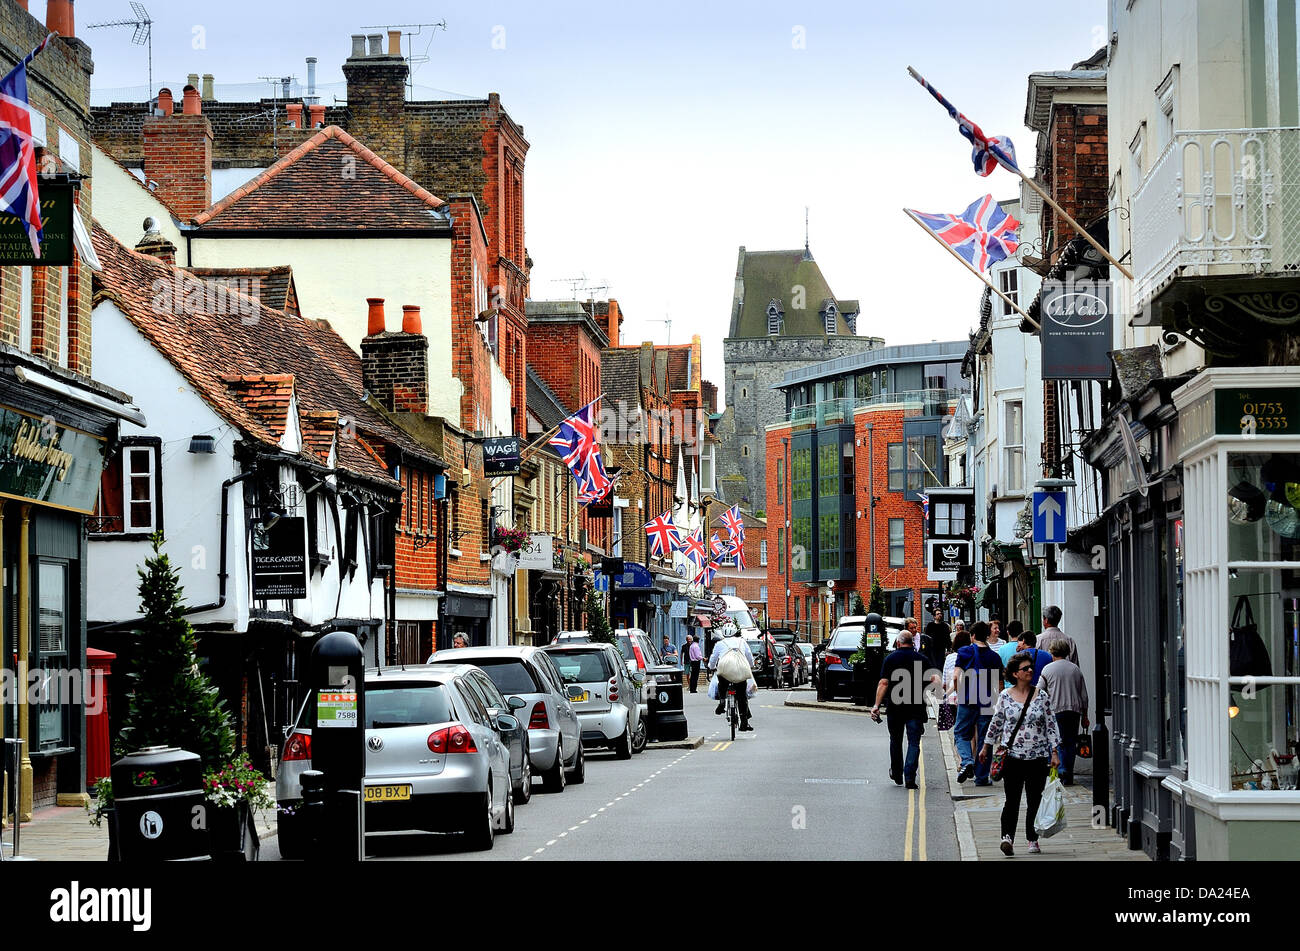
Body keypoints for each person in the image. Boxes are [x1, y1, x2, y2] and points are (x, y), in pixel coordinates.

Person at [980, 651, 1062, 856]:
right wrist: (986, 746)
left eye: (1031, 667)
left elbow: (1051, 725)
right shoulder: (1005, 697)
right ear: (1015, 674)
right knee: (1012, 799)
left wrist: (1054, 752)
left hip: (1038, 757)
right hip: (1013, 757)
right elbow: (996, 723)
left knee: (1035, 799)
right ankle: (1007, 837)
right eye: (1026, 668)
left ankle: (1032, 839)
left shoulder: (1041, 696)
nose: (1031, 671)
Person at [871, 631, 937, 789]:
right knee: (914, 742)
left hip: (895, 708)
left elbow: (883, 684)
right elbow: (934, 679)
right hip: (916, 708)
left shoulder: (891, 659)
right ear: (912, 643)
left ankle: (896, 772)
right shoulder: (922, 659)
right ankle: (909, 777)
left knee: (895, 740)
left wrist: (876, 706)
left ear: (898, 643)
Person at [953, 621, 1004, 786]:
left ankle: (967, 760)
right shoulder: (994, 657)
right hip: (987, 701)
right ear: (987, 636)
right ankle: (981, 778)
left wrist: (959, 693)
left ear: (972, 636)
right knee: (984, 739)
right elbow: (1000, 685)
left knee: (960, 733)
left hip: (967, 699)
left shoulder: (964, 652)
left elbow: (955, 677)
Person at [1038, 641, 1089, 785]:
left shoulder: (1047, 669)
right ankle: (1069, 773)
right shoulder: (1075, 669)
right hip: (1074, 710)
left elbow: (1039, 690)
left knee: (1057, 742)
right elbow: (1083, 695)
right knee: (1070, 743)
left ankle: (1061, 770)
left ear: (1052, 651)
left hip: (1056, 710)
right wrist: (1085, 715)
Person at [708, 622, 756, 731]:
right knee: (742, 696)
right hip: (740, 671)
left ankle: (722, 701)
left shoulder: (719, 644)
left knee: (722, 685)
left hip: (725, 670)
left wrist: (711, 666)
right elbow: (749, 655)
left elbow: (713, 658)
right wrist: (751, 665)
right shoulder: (741, 642)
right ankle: (744, 722)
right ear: (735, 632)